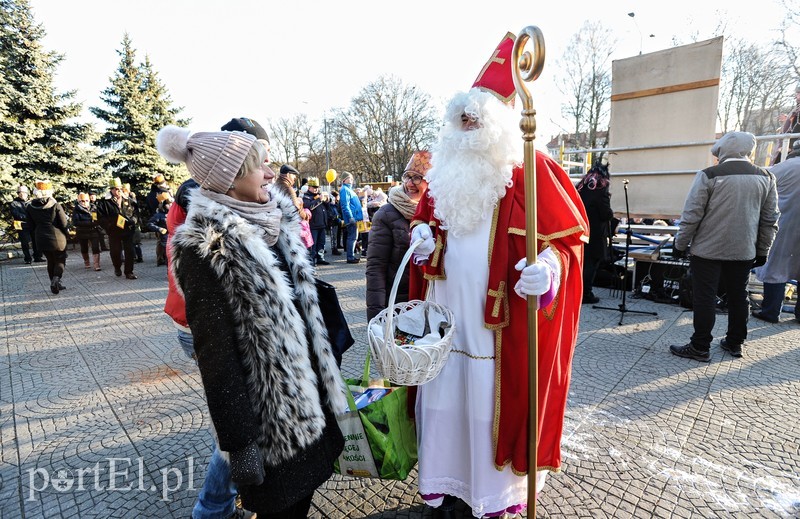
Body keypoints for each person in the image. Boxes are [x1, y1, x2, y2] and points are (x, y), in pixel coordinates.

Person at [408, 33, 588, 518]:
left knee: (488, 406)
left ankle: (494, 495)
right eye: (460, 118)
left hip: (498, 332)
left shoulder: (534, 170)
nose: (466, 126)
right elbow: (426, 217)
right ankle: (444, 486)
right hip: (445, 323)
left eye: (476, 118)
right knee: (444, 403)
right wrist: (423, 234)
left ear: (503, 123)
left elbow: (568, 242)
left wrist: (548, 270)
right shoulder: (444, 172)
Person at [156, 124, 345, 518]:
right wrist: (239, 445)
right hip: (271, 421)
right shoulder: (207, 247)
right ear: (231, 180)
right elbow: (217, 358)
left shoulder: (275, 221)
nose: (270, 174)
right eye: (259, 167)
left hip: (313, 401)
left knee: (304, 499)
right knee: (284, 507)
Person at [164, 116, 269, 519]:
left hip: (196, 317)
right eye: (259, 157)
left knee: (235, 416)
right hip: (198, 321)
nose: (268, 170)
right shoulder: (201, 205)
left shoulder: (220, 197)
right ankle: (212, 507)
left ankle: (221, 501)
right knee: (231, 422)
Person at [671, 131, 779, 361]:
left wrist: (680, 244)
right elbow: (769, 220)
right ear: (749, 151)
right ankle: (735, 343)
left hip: (707, 250)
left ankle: (700, 347)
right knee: (739, 295)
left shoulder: (708, 175)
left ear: (722, 151)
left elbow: (692, 215)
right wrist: (762, 250)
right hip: (744, 250)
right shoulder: (766, 177)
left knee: (705, 297)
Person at [365, 150, 431, 321]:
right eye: (407, 176)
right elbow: (375, 269)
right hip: (398, 305)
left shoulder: (437, 215)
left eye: (417, 177)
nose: (410, 183)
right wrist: (377, 318)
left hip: (430, 302)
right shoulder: (386, 214)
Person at [753, 139, 800, 323]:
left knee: (775, 267)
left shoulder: (783, 167)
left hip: (785, 223)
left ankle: (771, 311)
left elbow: (760, 184)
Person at [576, 158, 615, 304]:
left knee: (582, 264)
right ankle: (586, 294)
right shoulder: (601, 191)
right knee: (591, 264)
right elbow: (606, 214)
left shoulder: (580, 187)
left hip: (580, 231)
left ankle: (577, 291)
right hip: (595, 234)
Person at [25, 180, 70, 294]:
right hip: (57, 237)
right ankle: (56, 279)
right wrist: (67, 235)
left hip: (40, 237)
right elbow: (63, 223)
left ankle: (54, 283)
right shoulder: (55, 205)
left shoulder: (30, 207)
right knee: (60, 259)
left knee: (50, 260)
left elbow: (30, 225)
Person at [96, 177, 140, 279]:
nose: (118, 191)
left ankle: (129, 272)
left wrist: (133, 220)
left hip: (128, 230)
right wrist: (109, 225)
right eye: (116, 189)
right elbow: (100, 218)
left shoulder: (128, 200)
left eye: (120, 188)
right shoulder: (104, 202)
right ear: (111, 190)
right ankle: (117, 266)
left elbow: (136, 212)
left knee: (130, 251)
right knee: (115, 252)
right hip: (114, 231)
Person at [10, 185, 43, 264]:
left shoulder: (31, 202)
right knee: (25, 243)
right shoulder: (14, 203)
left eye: (24, 192)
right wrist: (28, 217)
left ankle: (37, 257)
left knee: (36, 241)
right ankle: (27, 258)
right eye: (20, 192)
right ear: (18, 193)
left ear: (27, 193)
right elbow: (16, 214)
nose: (22, 194)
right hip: (22, 225)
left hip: (32, 225)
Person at [302, 177, 330, 266]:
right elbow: (309, 207)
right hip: (313, 225)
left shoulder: (319, 195)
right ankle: (312, 260)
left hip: (322, 224)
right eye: (314, 187)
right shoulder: (306, 196)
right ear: (309, 187)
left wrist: (327, 200)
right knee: (313, 244)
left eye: (317, 187)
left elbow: (327, 207)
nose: (316, 189)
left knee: (321, 243)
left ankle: (320, 257)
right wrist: (319, 200)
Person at [71, 192, 103, 271]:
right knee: (84, 248)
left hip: (93, 230)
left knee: (95, 247)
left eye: (86, 200)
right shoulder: (77, 209)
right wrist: (88, 223)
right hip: (82, 231)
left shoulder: (94, 208)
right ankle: (87, 262)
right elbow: (75, 222)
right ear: (79, 201)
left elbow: (98, 218)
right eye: (82, 201)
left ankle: (96, 264)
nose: (85, 202)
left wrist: (97, 222)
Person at [770, 83, 800, 166]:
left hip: (792, 148)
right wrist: (786, 120)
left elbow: (797, 128)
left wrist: (790, 146)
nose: (796, 96)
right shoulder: (796, 109)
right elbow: (793, 124)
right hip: (786, 146)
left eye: (798, 94)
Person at [339, 172, 363, 264]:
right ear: (344, 180)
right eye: (349, 178)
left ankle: (351, 256)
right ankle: (350, 257)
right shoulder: (345, 190)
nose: (351, 180)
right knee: (352, 238)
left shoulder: (349, 190)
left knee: (353, 238)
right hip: (352, 218)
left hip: (355, 218)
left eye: (352, 179)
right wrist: (350, 217)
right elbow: (345, 205)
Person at [147, 193, 172, 266]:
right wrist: (159, 229)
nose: (170, 205)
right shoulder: (159, 215)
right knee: (169, 259)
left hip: (174, 239)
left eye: (171, 204)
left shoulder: (174, 213)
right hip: (165, 240)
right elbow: (150, 224)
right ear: (163, 205)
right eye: (168, 204)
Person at [122, 183, 144, 263]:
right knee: (131, 242)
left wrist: (133, 220)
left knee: (135, 242)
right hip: (129, 222)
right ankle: (135, 257)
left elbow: (135, 211)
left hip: (134, 223)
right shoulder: (123, 200)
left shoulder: (131, 199)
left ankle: (138, 257)